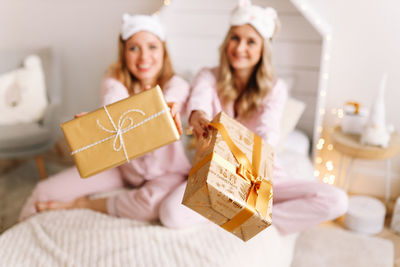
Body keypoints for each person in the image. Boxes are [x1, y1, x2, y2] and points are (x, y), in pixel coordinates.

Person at [160, 1, 348, 235]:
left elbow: (268, 131)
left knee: (337, 200)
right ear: (227, 41)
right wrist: (199, 115)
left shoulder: (274, 88)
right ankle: (247, 215)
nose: (240, 48)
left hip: (262, 176)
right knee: (170, 214)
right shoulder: (208, 76)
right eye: (235, 38)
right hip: (216, 174)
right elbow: (199, 101)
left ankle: (249, 216)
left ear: (263, 49)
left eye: (251, 41)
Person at [19, 13, 192, 224]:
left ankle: (85, 204)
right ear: (124, 53)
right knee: (44, 191)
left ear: (164, 51)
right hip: (122, 169)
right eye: (134, 48)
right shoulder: (113, 79)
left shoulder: (177, 84)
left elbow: (174, 100)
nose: (144, 56)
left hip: (166, 173)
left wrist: (161, 105)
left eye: (152, 47)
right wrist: (100, 121)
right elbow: (113, 100)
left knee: (151, 204)